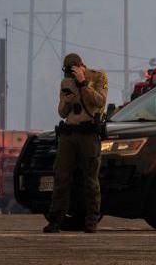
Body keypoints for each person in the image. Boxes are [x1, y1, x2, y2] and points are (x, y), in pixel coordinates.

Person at [44, 53, 109, 234]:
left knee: (90, 179)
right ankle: (55, 220)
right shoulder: (66, 83)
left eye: (73, 70)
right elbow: (62, 113)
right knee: (61, 177)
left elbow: (100, 101)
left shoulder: (97, 76)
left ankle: (91, 221)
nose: (71, 74)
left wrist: (83, 84)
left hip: (88, 133)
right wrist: (66, 101)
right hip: (69, 134)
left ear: (81, 65)